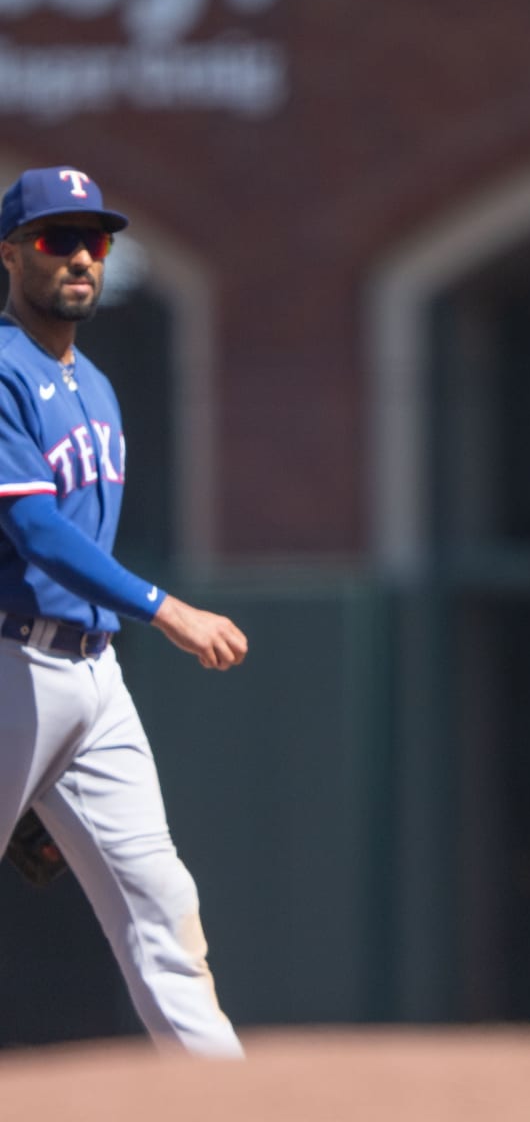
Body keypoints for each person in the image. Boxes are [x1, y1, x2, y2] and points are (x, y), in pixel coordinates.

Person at [0, 166, 247, 1057]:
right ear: (10, 253)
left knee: (164, 906)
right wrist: (164, 608)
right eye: (53, 239)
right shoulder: (2, 369)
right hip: (13, 664)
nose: (78, 256)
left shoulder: (95, 385)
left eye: (93, 240)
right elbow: (34, 530)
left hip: (91, 682)